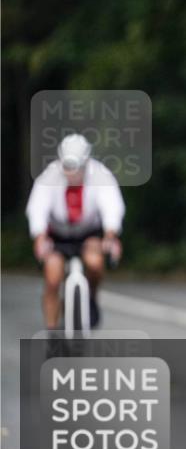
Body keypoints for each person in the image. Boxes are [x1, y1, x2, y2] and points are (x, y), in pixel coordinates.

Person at [26, 134, 124, 330]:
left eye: (76, 167)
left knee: (95, 263)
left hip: (88, 232)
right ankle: (52, 329)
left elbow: (112, 205)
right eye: (67, 166)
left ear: (87, 162)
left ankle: (91, 299)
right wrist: (40, 236)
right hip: (58, 234)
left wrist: (110, 235)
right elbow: (37, 207)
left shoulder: (100, 175)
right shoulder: (49, 175)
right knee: (53, 277)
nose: (71, 172)